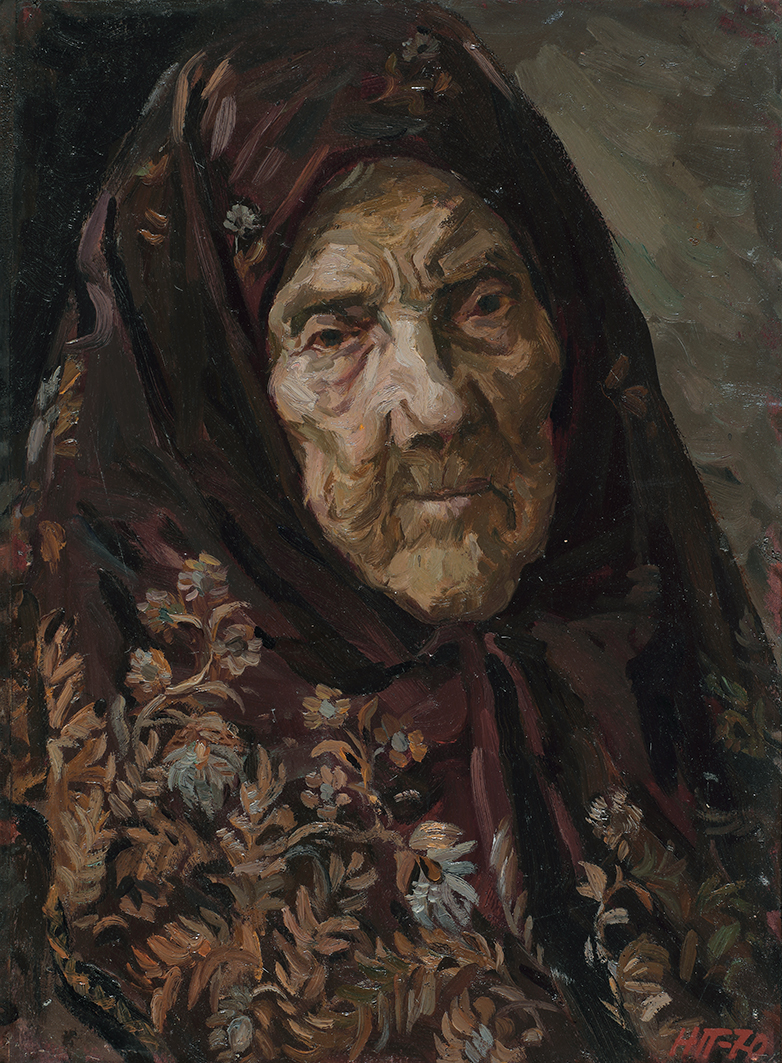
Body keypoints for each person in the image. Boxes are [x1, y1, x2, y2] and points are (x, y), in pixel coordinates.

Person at [4, 2, 779, 1061]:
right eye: (334, 332)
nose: (439, 404)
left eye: (483, 303)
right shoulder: (81, 867)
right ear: (214, 411)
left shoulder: (661, 691)